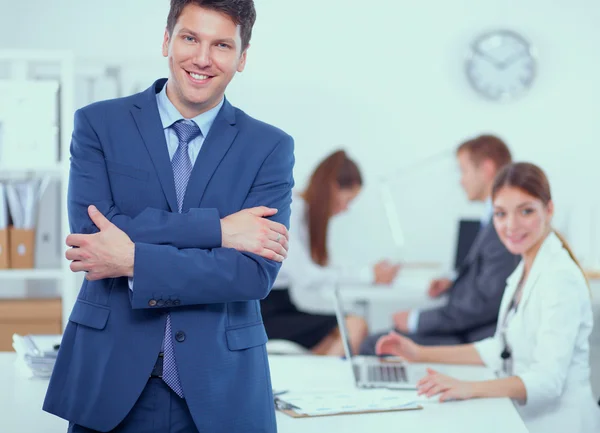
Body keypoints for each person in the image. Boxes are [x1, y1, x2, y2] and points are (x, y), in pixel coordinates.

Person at [43, 1, 294, 432]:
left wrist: (134, 260)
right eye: (190, 38)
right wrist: (218, 230)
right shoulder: (99, 124)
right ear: (166, 40)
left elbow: (251, 273)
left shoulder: (269, 147)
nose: (202, 58)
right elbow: (91, 236)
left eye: (221, 45)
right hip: (112, 385)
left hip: (220, 392)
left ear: (242, 57)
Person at [376, 162, 599, 433]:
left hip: (559, 425)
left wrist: (469, 388)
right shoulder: (526, 268)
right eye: (501, 214)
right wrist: (419, 352)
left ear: (549, 210)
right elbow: (501, 348)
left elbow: (548, 381)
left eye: (526, 211)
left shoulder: (559, 278)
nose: (511, 225)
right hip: (524, 418)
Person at [361, 134, 520, 354]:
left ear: (486, 169)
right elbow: (489, 283)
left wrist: (417, 320)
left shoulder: (505, 226)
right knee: (380, 340)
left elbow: (485, 304)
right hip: (466, 329)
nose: (460, 180)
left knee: (375, 345)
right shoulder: (491, 220)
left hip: (472, 337)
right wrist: (453, 282)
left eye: (463, 170)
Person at [263, 150, 400, 356]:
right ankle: (322, 383)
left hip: (281, 304)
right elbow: (307, 277)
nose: (346, 209)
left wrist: (369, 272)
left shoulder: (303, 214)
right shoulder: (289, 211)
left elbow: (321, 269)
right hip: (265, 312)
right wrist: (369, 275)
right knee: (354, 326)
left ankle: (317, 381)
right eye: (347, 200)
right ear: (333, 188)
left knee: (343, 335)